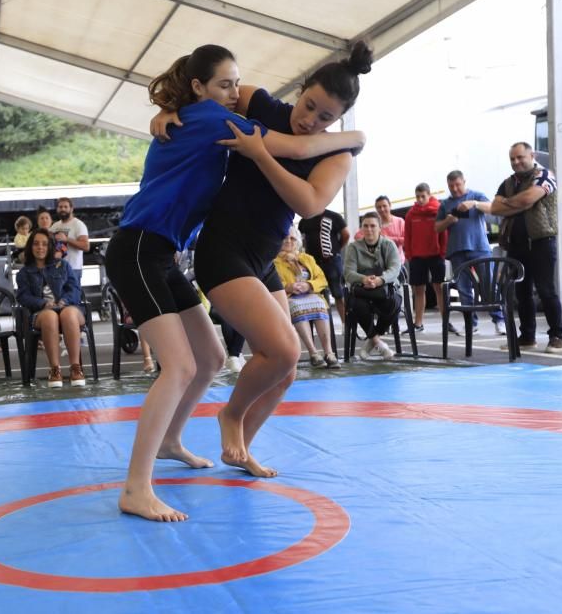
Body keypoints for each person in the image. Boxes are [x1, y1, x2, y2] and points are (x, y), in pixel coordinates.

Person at [107, 44, 364, 522]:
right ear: (202, 88)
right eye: (225, 85)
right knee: (180, 366)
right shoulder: (212, 116)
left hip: (166, 253)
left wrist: (172, 109)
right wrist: (355, 135)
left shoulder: (209, 111)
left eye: (328, 116)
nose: (234, 94)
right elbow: (298, 148)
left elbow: (309, 182)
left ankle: (169, 441)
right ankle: (135, 488)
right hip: (141, 247)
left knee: (209, 359)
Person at [185, 41, 370, 480]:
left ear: (338, 120)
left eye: (325, 117)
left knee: (285, 371)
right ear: (301, 88)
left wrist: (260, 154)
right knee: (284, 348)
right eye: (308, 106)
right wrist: (168, 111)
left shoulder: (336, 154)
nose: (310, 120)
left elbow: (308, 204)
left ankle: (241, 447)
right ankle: (230, 417)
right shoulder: (257, 102)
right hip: (223, 250)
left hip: (262, 259)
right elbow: (204, 86)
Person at [490, 142, 562, 353]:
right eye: (512, 159)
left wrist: (509, 202)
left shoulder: (544, 175)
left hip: (542, 242)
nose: (516, 162)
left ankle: (557, 337)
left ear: (531, 155)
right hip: (516, 245)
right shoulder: (508, 182)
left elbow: (531, 198)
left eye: (520, 157)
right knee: (521, 293)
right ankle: (527, 337)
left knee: (546, 290)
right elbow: (495, 207)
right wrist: (519, 202)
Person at [435, 170, 505, 336]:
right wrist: (448, 220)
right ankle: (471, 323)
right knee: (463, 288)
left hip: (479, 247)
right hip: (457, 250)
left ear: (464, 182)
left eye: (458, 184)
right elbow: (437, 227)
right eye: (451, 186)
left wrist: (474, 204)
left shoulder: (477, 195)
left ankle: (499, 320)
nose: (455, 189)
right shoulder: (445, 204)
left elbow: (493, 209)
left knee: (489, 284)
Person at [16, 229, 87, 388]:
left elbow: (75, 290)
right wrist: (43, 303)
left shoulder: (63, 265)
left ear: (50, 247)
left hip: (70, 309)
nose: (40, 247)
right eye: (36, 244)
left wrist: (64, 301)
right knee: (50, 316)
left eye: (44, 244)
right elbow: (23, 297)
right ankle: (55, 369)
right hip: (42, 313)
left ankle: (76, 368)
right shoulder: (24, 273)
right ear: (30, 247)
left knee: (67, 314)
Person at [273, 231, 340, 368]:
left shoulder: (307, 258)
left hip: (311, 294)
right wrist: (288, 287)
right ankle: (313, 353)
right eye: (285, 238)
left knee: (319, 304)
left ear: (297, 241)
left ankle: (329, 352)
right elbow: (272, 282)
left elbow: (322, 279)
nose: (288, 241)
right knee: (297, 306)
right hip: (289, 297)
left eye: (292, 238)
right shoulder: (275, 262)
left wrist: (309, 285)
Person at [344, 212, 402, 359]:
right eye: (365, 226)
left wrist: (380, 280)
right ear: (361, 228)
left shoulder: (389, 245)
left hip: (384, 288)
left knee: (393, 302)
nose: (369, 229)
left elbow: (395, 269)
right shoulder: (353, 247)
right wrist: (364, 279)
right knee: (356, 305)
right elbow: (348, 273)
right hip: (362, 290)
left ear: (380, 228)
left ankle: (372, 341)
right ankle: (378, 343)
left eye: (373, 226)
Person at [403, 183, 447, 332]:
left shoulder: (438, 211)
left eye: (423, 196)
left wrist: (442, 252)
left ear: (429, 195)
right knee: (418, 290)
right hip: (417, 257)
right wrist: (409, 255)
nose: (420, 199)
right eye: (418, 197)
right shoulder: (411, 214)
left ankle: (446, 322)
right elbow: (407, 236)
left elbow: (444, 234)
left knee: (439, 288)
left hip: (435, 255)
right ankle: (418, 324)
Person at [299, 209, 350, 323]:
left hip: (332, 261)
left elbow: (346, 234)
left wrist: (337, 249)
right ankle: (325, 325)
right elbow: (301, 238)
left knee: (339, 294)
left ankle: (347, 326)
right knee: (317, 294)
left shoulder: (334, 216)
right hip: (313, 264)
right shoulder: (305, 219)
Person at [50, 197, 90, 285]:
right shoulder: (55, 226)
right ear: (57, 209)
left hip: (73, 269)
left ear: (71, 209)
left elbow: (86, 246)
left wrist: (66, 239)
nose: (63, 209)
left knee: (73, 297)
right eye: (60, 207)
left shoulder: (78, 225)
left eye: (65, 207)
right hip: (57, 268)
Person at [355, 195, 405, 263]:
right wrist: (374, 238)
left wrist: (389, 239)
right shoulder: (373, 223)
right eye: (379, 207)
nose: (382, 209)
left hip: (397, 262)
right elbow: (357, 236)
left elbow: (407, 240)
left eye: (384, 206)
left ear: (390, 206)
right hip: (378, 264)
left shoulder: (400, 221)